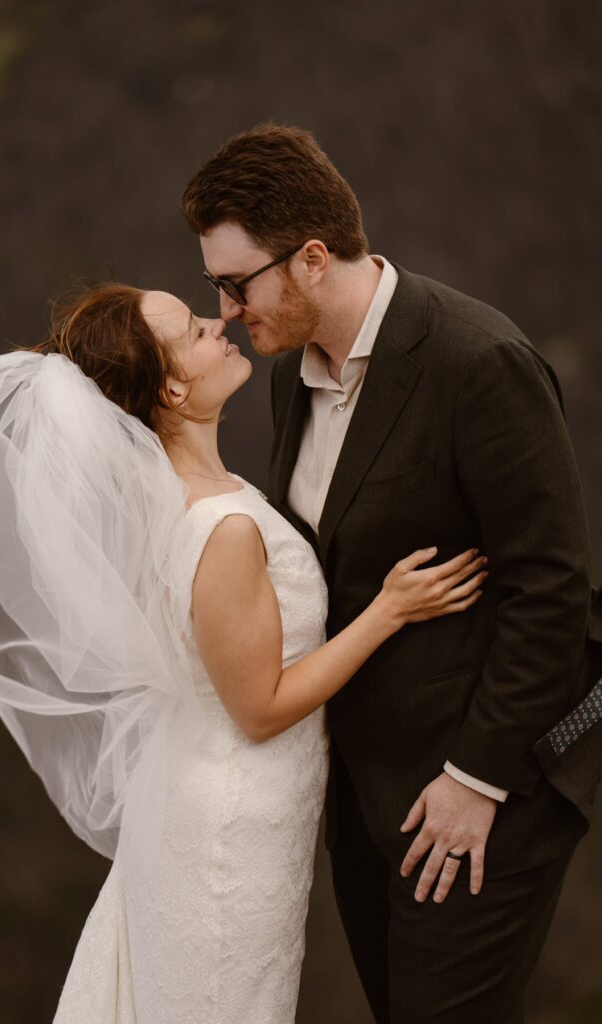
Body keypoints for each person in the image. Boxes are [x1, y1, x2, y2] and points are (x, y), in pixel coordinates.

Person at [0, 282, 486, 1023]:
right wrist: (389, 611)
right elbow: (259, 708)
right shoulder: (221, 527)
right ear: (172, 384)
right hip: (228, 826)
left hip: (216, 797)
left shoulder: (190, 499)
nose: (220, 325)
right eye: (193, 330)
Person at [181, 123, 596, 1023]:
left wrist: (475, 781)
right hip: (360, 800)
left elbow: (553, 590)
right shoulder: (292, 374)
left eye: (233, 281)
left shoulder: (478, 363)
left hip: (480, 800)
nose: (223, 309)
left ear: (312, 259)